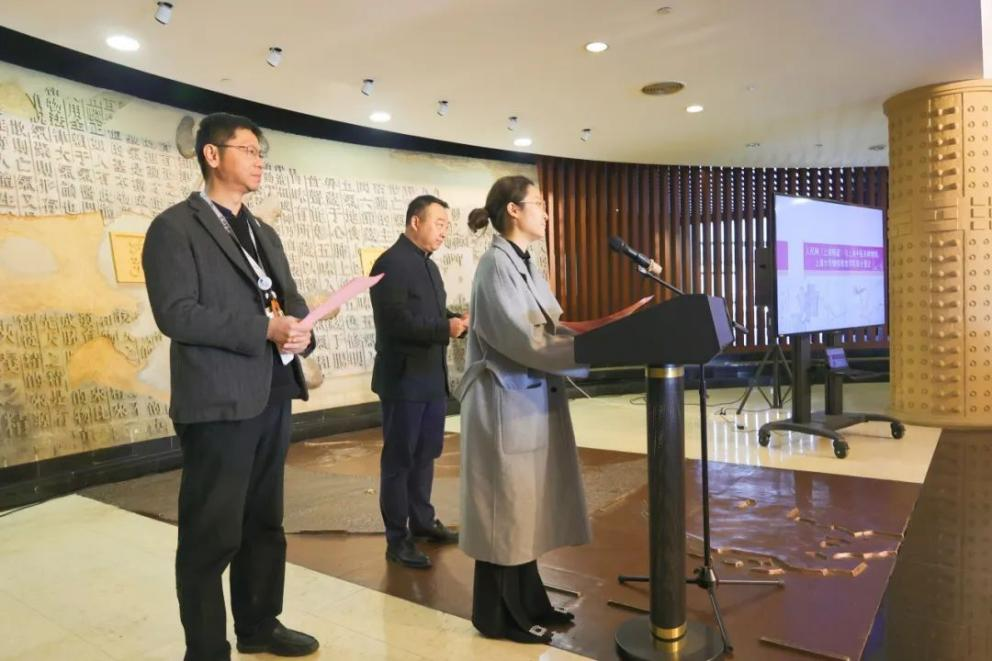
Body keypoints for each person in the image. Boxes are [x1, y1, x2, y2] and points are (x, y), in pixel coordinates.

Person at [142, 112, 320, 660]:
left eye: (261, 152)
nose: (259, 161)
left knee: (264, 522)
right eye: (248, 150)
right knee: (211, 533)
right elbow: (177, 314)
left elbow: (289, 299)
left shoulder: (263, 231)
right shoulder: (175, 228)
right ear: (212, 155)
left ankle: (259, 625)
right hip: (217, 402)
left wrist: (301, 332)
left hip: (272, 391)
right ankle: (205, 649)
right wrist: (263, 329)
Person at [457, 175, 591, 644]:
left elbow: (549, 326)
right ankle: (500, 617)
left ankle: (530, 602)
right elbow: (524, 339)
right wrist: (588, 349)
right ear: (513, 210)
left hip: (525, 399)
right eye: (539, 203)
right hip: (503, 404)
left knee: (522, 509)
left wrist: (592, 337)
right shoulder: (496, 265)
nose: (547, 213)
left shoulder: (524, 261)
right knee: (505, 512)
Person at [369, 195, 467, 569]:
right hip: (403, 381)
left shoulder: (429, 266)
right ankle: (397, 539)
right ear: (415, 221)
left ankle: (423, 522)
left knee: (426, 455)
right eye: (439, 223)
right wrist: (445, 328)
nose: (444, 232)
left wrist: (456, 319)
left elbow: (431, 313)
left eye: (447, 225)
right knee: (399, 461)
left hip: (430, 380)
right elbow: (395, 322)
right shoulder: (390, 263)